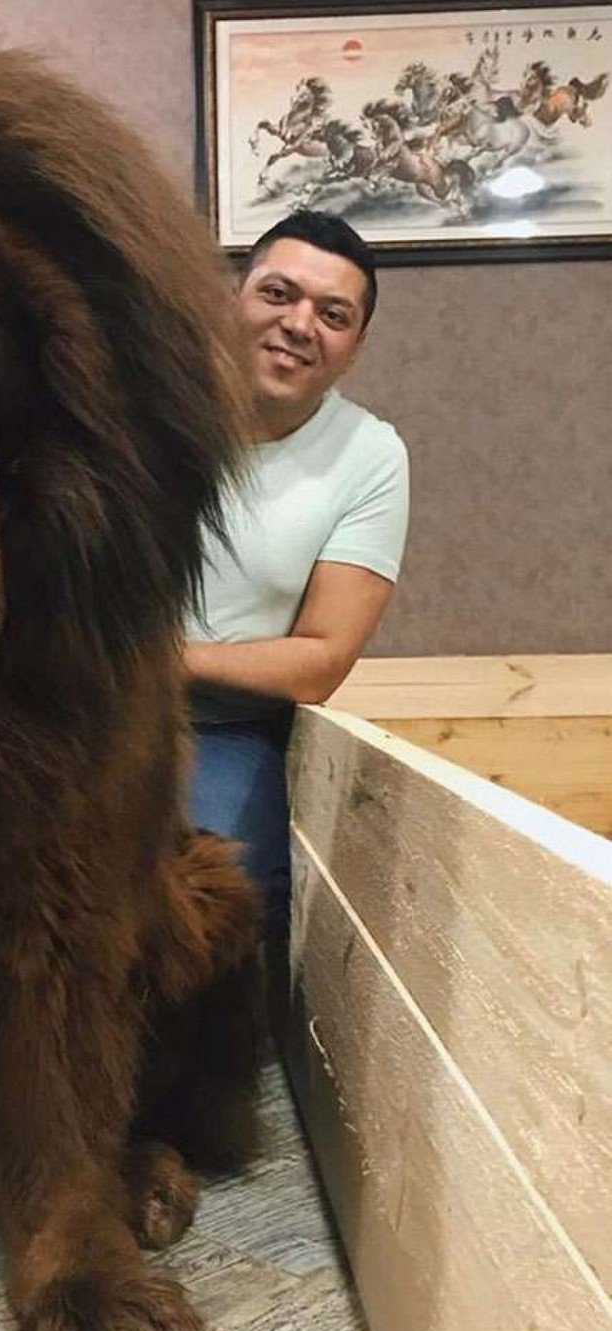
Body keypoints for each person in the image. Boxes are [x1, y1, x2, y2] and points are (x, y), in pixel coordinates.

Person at [184, 210, 409, 1042]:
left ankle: (204, 1094)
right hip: (71, 700)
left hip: (220, 726)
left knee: (221, 911)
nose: (299, 324)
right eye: (278, 294)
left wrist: (160, 660)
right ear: (232, 299)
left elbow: (320, 660)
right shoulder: (146, 398)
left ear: (354, 347)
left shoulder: (370, 457)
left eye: (332, 314)